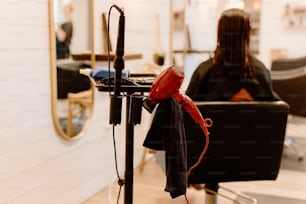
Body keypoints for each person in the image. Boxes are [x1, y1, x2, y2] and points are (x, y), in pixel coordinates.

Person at [185, 8, 279, 102]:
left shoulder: (203, 72)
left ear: (220, 34)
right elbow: (276, 111)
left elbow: (184, 111)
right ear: (247, 35)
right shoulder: (260, 73)